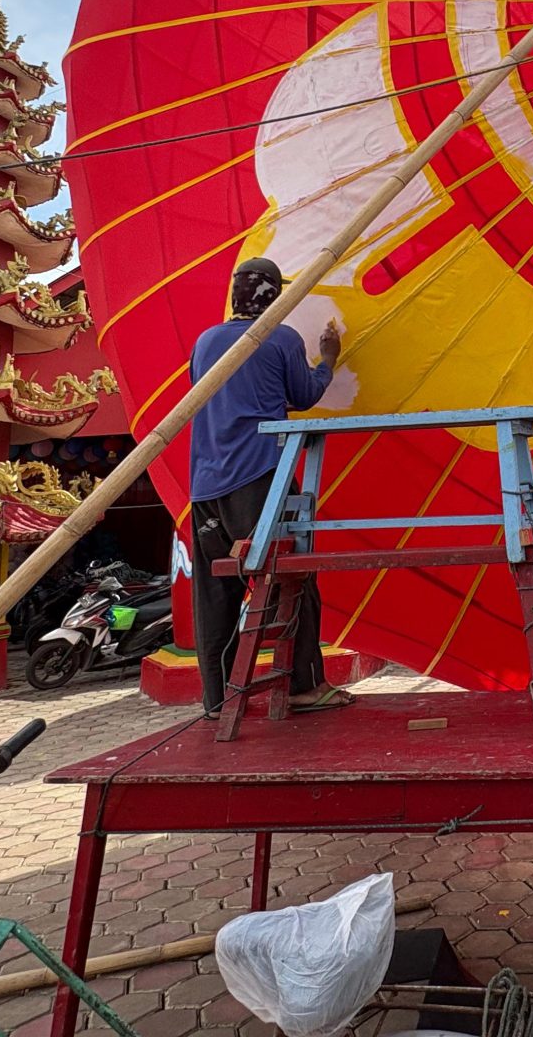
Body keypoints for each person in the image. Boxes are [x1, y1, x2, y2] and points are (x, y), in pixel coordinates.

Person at [189, 257, 345, 719]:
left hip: (205, 484)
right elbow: (304, 396)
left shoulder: (205, 341)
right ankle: (303, 685)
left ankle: (217, 699)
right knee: (291, 574)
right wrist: (329, 358)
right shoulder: (280, 338)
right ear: (275, 296)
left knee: (214, 592)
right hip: (260, 476)